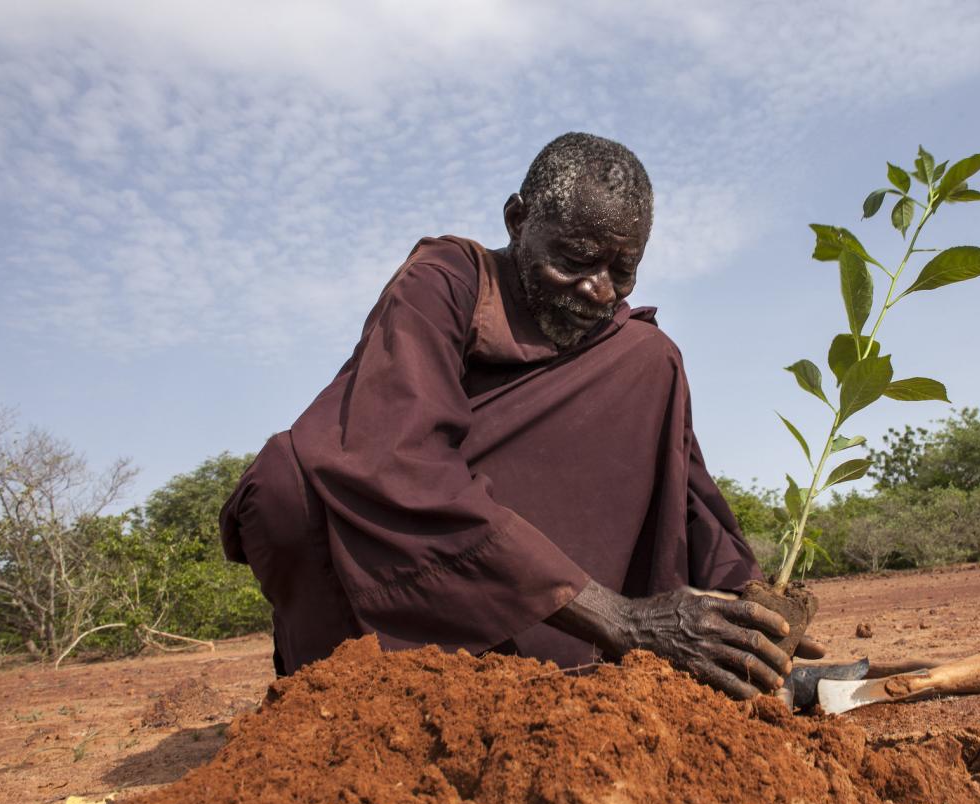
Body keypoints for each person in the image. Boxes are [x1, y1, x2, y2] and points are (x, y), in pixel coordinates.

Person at [220, 132, 826, 700]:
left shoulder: (626, 349)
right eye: (576, 260)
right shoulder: (444, 284)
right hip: (397, 562)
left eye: (622, 271)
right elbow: (396, 458)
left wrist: (748, 611)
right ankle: (345, 690)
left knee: (650, 357)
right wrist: (621, 620)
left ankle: (596, 678)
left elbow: (686, 486)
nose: (599, 291)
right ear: (517, 220)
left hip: (522, 581)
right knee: (286, 482)